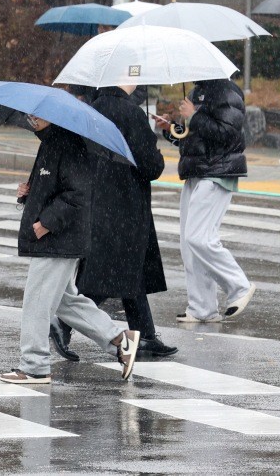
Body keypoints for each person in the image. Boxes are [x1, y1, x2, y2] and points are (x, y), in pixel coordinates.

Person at [0, 114, 140, 384]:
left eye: (37, 115)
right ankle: (121, 341)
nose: (32, 119)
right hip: (58, 237)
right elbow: (55, 186)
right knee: (66, 302)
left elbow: (77, 194)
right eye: (30, 115)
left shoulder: (68, 144)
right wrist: (28, 192)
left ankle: (35, 365)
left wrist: (46, 223)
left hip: (58, 237)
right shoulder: (51, 142)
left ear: (53, 117)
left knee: (37, 301)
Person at [67, 84, 177, 358]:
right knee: (108, 272)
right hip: (126, 202)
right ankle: (62, 323)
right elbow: (152, 167)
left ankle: (146, 334)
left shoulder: (91, 110)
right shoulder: (130, 113)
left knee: (131, 268)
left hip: (98, 199)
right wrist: (153, 144)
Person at [156, 80, 256, 323]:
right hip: (196, 171)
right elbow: (193, 138)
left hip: (217, 172)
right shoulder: (196, 92)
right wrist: (171, 129)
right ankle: (202, 308)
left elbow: (228, 134)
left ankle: (239, 286)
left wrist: (195, 115)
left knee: (199, 238)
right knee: (188, 245)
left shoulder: (227, 92)